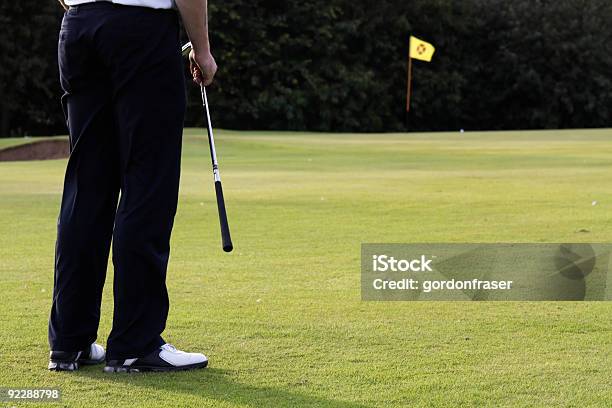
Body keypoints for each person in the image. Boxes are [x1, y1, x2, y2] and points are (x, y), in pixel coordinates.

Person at [48, 0, 217, 372]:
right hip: (140, 31)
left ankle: (69, 342)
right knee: (147, 183)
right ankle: (134, 343)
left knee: (87, 186)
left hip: (79, 26)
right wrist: (202, 50)